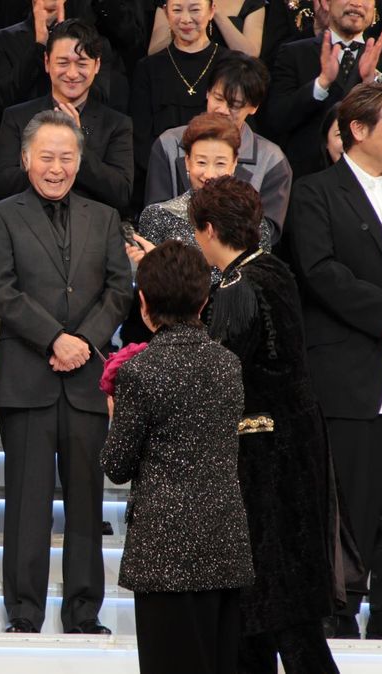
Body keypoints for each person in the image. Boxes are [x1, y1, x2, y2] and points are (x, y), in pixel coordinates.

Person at [286, 82, 382, 640]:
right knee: (347, 493)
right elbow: (320, 270)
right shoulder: (315, 193)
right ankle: (339, 601)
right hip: (349, 366)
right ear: (359, 129)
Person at [0, 110, 132, 634]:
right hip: (27, 377)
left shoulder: (105, 216)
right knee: (27, 502)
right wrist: (54, 339)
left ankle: (84, 611)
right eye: (46, 156)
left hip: (87, 378)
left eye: (67, 157)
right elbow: (1, 291)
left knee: (88, 502)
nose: (57, 167)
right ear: (25, 160)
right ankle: (24, 611)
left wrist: (83, 341)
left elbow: (119, 290)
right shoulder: (1, 216)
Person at [192, 176, 341, 672]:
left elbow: (219, 373)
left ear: (209, 229)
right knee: (265, 612)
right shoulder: (274, 271)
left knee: (276, 604)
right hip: (294, 444)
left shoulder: (239, 286)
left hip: (264, 458)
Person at [101, 239, 252, 674]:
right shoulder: (228, 364)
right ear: (204, 301)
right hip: (223, 539)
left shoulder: (140, 372)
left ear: (143, 302)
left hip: (164, 546)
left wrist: (116, 415)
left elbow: (116, 466)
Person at [0, 19, 133, 214]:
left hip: (90, 233)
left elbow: (121, 193)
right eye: (63, 63)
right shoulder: (17, 117)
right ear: (46, 62)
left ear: (97, 65)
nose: (71, 73)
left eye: (81, 63)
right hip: (27, 227)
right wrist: (40, 163)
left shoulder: (116, 124)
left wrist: (79, 147)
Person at [145, 52, 291, 234]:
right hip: (177, 257)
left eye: (235, 105)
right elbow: (155, 219)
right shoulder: (169, 143)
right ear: (207, 93)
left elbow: (267, 232)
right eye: (218, 99)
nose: (222, 110)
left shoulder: (272, 160)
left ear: (254, 107)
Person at [262, 0, 382, 179]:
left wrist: (371, 83)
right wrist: (321, 83)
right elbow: (277, 119)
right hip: (307, 178)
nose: (356, 4)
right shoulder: (294, 53)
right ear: (325, 3)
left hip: (373, 181)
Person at [132, 113, 273, 272]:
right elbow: (152, 288)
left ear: (234, 164)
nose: (209, 174)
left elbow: (259, 283)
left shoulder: (253, 222)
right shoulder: (158, 216)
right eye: (201, 162)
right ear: (187, 161)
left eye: (220, 163)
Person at [131, 0, 227, 184]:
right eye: (177, 10)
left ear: (211, 11)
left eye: (195, 10)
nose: (185, 19)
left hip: (218, 180)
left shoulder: (229, 64)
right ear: (166, 13)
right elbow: (140, 139)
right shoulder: (148, 68)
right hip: (162, 178)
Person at [147, 0, 265, 57]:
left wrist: (212, 11)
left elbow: (250, 54)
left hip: (228, 80)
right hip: (178, 72)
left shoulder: (252, 3)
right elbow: (153, 52)